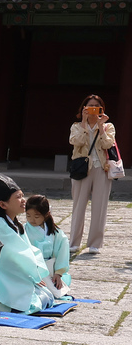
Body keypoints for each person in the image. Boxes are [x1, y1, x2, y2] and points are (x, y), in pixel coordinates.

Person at [0, 172, 64, 314]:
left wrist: (35, 275)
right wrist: (34, 275)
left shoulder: (14, 222)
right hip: (4, 276)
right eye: (18, 197)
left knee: (47, 296)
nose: (23, 200)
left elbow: (27, 249)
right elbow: (20, 254)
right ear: (3, 204)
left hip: (15, 272)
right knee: (35, 302)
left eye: (22, 195)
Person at [68, 94, 117, 255]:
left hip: (101, 169)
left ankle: (95, 243)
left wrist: (101, 126)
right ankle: (74, 242)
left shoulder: (108, 126)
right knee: (78, 206)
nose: (93, 109)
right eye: (90, 106)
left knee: (100, 207)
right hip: (82, 169)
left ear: (101, 109)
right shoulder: (76, 126)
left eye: (96, 106)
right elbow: (76, 141)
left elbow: (107, 143)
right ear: (84, 108)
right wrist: (84, 122)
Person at [25, 195, 73, 294]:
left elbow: (62, 251)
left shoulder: (55, 232)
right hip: (33, 269)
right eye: (28, 215)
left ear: (46, 214)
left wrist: (58, 273)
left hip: (51, 269)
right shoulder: (23, 230)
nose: (32, 219)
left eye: (36, 216)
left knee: (55, 290)